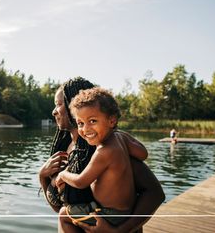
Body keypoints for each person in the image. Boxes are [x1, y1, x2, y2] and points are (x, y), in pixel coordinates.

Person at [38, 77, 165, 232]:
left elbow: (155, 194)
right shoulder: (64, 150)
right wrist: (43, 177)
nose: (54, 111)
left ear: (74, 104)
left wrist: (120, 231)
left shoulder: (108, 147)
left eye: (58, 104)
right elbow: (61, 208)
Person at [56, 87, 148, 231]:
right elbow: (143, 153)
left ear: (111, 121)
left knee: (63, 215)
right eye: (80, 123)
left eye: (92, 121)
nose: (85, 129)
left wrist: (63, 174)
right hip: (127, 211)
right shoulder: (121, 137)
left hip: (110, 215)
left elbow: (81, 181)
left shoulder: (104, 151)